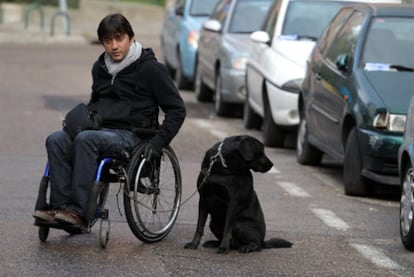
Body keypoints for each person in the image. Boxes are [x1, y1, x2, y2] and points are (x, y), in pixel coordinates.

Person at [32, 13, 186, 227]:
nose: (114, 46)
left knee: (86, 139)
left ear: (131, 38)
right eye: (108, 40)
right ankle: (60, 208)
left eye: (119, 38)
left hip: (133, 135)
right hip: (99, 129)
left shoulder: (151, 69)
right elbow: (95, 101)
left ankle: (78, 211)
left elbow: (177, 110)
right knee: (56, 139)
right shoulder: (100, 67)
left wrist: (158, 142)